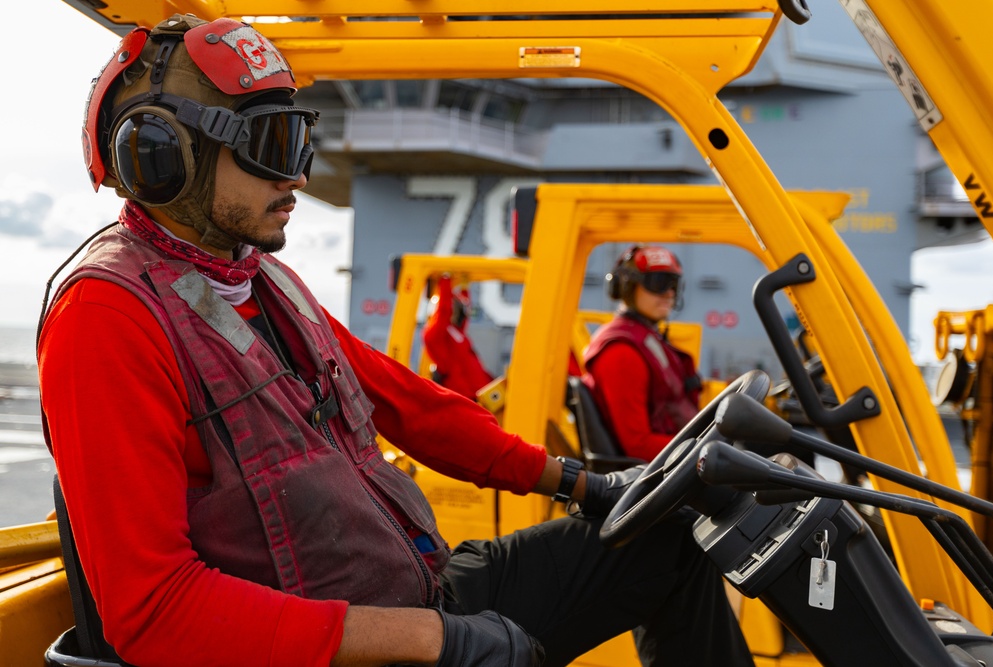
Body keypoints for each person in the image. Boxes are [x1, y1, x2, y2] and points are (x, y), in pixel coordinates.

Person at [38, 15, 754, 667]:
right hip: (343, 640)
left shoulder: (263, 280)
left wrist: (583, 482)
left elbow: (416, 409)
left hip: (408, 593)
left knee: (666, 539)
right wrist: (430, 639)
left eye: (300, 139)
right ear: (165, 156)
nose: (298, 174)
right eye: (271, 144)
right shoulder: (105, 316)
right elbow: (152, 611)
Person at [583, 245, 702, 462]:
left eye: (674, 284)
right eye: (658, 283)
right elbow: (638, 445)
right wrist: (705, 450)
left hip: (676, 462)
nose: (669, 293)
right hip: (660, 478)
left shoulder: (646, 339)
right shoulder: (621, 353)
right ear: (627, 287)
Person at [422, 275, 494, 400]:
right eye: (453, 308)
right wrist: (445, 281)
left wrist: (464, 288)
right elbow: (443, 312)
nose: (455, 312)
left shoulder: (455, 331)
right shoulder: (435, 335)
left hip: (481, 394)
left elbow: (464, 313)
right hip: (464, 399)